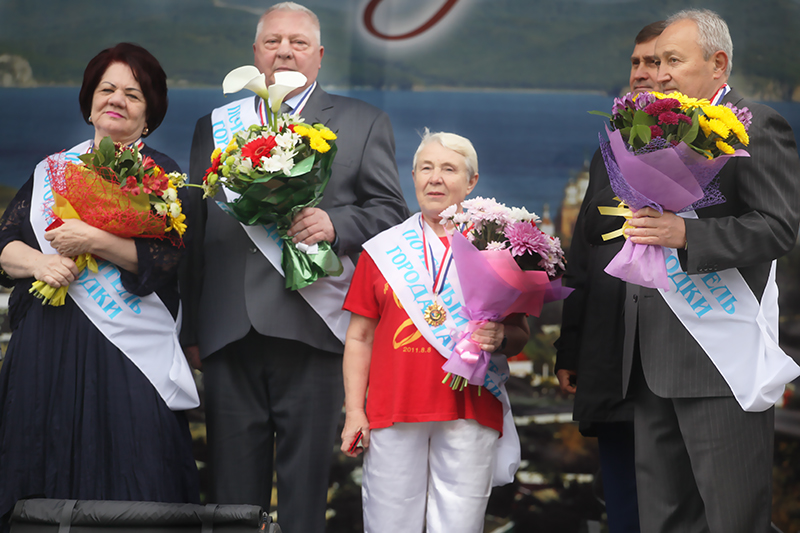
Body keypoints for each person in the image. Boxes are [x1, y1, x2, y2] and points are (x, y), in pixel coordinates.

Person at [179, 3, 409, 533]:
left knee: (305, 495)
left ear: (320, 56)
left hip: (315, 329)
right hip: (227, 330)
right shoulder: (213, 127)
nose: (285, 50)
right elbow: (195, 232)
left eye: (299, 42)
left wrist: (335, 223)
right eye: (273, 41)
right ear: (255, 53)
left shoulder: (362, 120)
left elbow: (391, 214)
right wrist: (190, 327)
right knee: (231, 499)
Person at [586, 9, 800, 531]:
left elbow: (780, 228)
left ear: (718, 64)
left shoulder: (757, 125)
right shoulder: (650, 130)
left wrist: (688, 235)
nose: (658, 74)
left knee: (732, 519)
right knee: (664, 520)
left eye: (673, 61)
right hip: (650, 357)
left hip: (718, 358)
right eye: (655, 61)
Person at [0, 42, 200, 528]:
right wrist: (37, 265)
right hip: (47, 344)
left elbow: (169, 260)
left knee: (135, 466)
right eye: (107, 89)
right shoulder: (51, 171)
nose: (117, 100)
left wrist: (96, 238)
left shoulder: (165, 175)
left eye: (132, 94)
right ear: (90, 99)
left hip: (128, 352)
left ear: (149, 111)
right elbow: (6, 242)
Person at [339, 130, 530, 533]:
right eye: (426, 168)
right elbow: (359, 337)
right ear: (413, 176)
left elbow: (519, 333)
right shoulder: (381, 250)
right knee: (389, 524)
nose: (436, 178)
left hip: (470, 407)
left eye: (449, 169)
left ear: (472, 181)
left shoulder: (495, 247)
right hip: (392, 410)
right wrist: (355, 410)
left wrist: (500, 339)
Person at [555, 21, 665, 533]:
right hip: (609, 358)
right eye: (638, 62)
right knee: (623, 504)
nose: (645, 73)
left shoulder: (718, 148)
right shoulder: (610, 151)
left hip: (676, 365)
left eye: (659, 62)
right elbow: (584, 262)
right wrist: (570, 351)